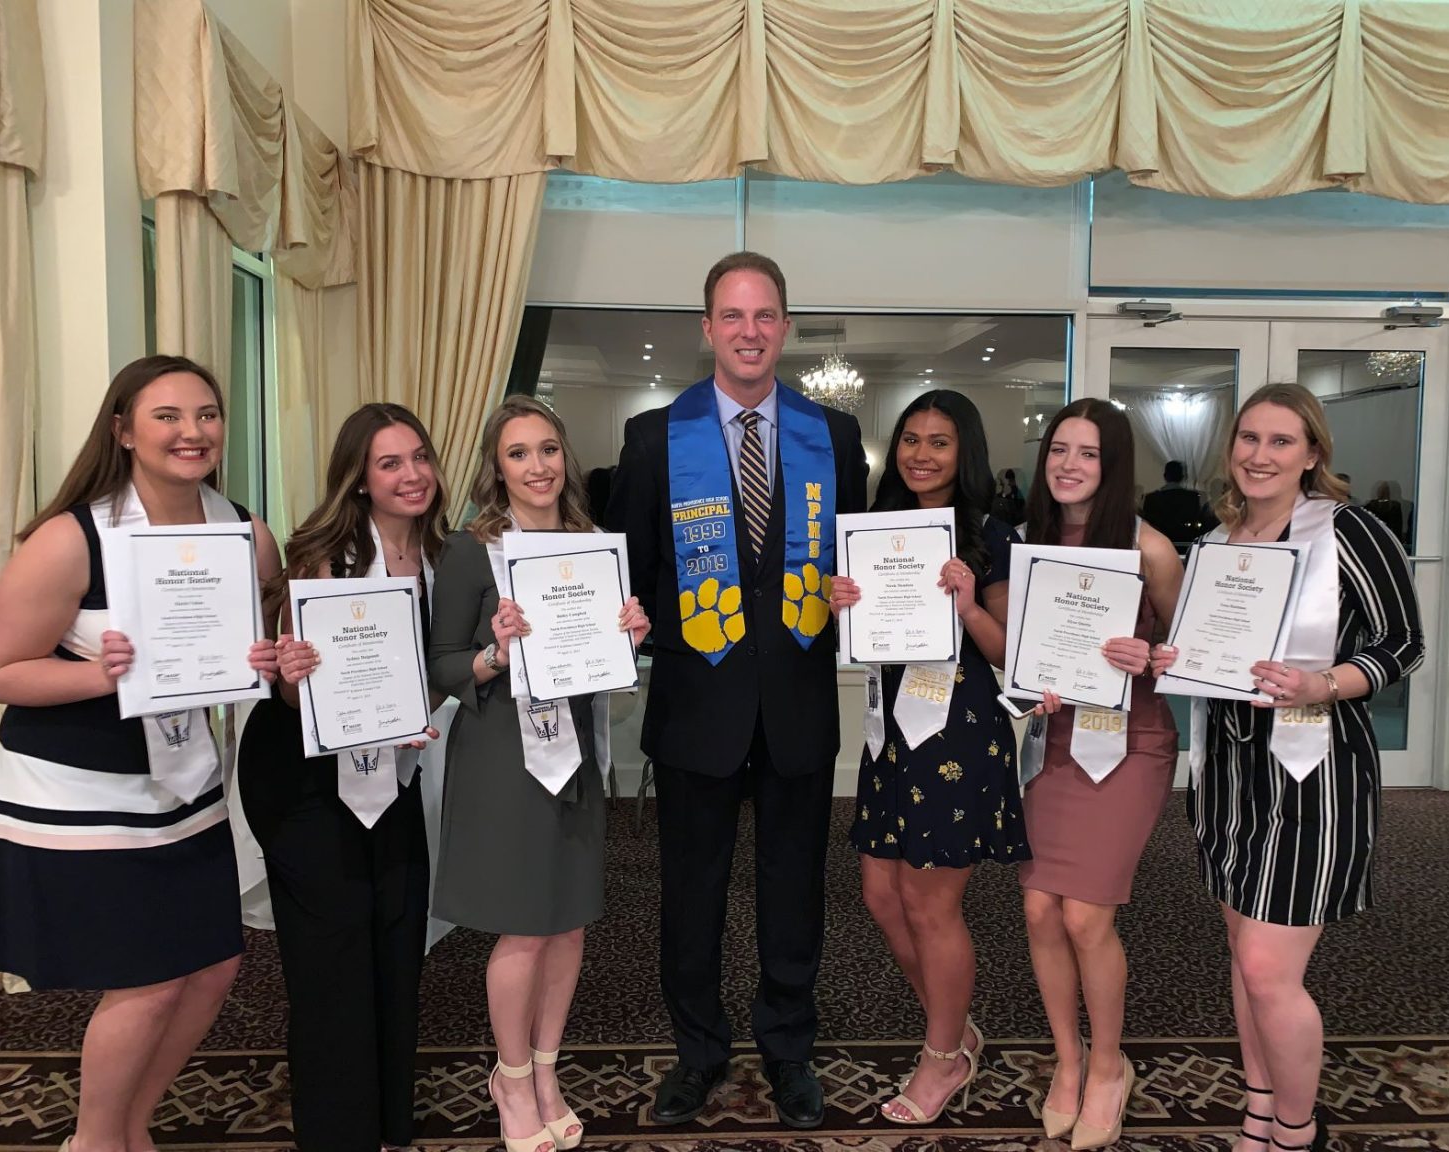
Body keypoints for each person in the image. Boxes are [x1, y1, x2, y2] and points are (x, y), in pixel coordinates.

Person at [0, 354, 280, 1152]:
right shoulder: (69, 537)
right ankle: (98, 1140)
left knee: (211, 965)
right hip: (80, 795)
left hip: (186, 785)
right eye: (167, 416)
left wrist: (274, 660)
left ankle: (132, 1124)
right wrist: (100, 675)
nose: (191, 432)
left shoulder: (244, 532)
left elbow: (259, 644)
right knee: (147, 981)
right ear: (123, 430)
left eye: (206, 414)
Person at [607, 251, 867, 1130]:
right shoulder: (653, 438)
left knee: (795, 889)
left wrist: (854, 593)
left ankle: (788, 1048)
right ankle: (699, 1050)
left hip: (796, 701)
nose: (749, 332)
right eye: (732, 316)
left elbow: (853, 558)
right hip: (697, 706)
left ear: (784, 327)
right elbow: (634, 567)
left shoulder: (831, 436)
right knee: (691, 893)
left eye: (765, 317)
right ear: (707, 327)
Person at [1152, 384, 1423, 1152]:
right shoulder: (1217, 539)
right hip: (1233, 777)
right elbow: (1209, 654)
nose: (1259, 455)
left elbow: (1403, 643)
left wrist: (1323, 682)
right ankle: (1260, 1111)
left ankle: (1297, 1133)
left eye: (1280, 441)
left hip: (1315, 774)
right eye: (1248, 438)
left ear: (1312, 454)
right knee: (1245, 960)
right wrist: (1180, 658)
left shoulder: (1348, 531)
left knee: (1270, 968)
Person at [427, 396, 650, 1152]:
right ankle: (511, 1077)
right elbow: (442, 662)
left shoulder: (594, 545)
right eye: (520, 453)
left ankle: (548, 1069)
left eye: (548, 449)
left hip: (576, 756)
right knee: (524, 928)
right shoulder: (470, 550)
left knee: (569, 923)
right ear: (497, 466)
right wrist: (494, 650)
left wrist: (629, 638)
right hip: (502, 758)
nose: (538, 466)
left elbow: (603, 672)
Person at [236, 403, 448, 1152]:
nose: (412, 474)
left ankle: (388, 1123)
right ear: (359, 480)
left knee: (396, 939)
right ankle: (336, 1134)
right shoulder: (322, 554)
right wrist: (294, 674)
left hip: (392, 771)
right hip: (301, 779)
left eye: (419, 457)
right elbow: (293, 691)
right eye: (390, 463)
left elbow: (443, 665)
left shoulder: (442, 555)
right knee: (331, 957)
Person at [828, 390, 1028, 1125]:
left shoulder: (993, 535)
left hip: (959, 733)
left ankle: (942, 1056)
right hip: (891, 736)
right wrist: (836, 600)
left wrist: (970, 603)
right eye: (910, 438)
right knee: (882, 897)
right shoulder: (875, 530)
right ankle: (955, 1027)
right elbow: (846, 635)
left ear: (963, 451)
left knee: (929, 903)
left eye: (939, 442)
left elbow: (1011, 652)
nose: (920, 454)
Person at [1017, 398, 1183, 1150]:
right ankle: (1068, 1059)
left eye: (1086, 453)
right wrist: (1033, 682)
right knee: (1039, 911)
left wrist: (1151, 658)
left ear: (1111, 466)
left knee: (1086, 915)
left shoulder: (1151, 549)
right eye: (1059, 449)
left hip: (1131, 744)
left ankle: (1111, 1067)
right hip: (1057, 743)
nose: (1069, 465)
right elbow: (1023, 660)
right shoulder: (1035, 543)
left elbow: (1192, 659)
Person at [1142, 459, 1208, 547]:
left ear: (1165, 476)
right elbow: (1196, 522)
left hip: (1158, 543)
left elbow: (1148, 525)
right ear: (1182, 477)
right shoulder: (1192, 497)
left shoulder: (1151, 498)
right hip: (1186, 543)